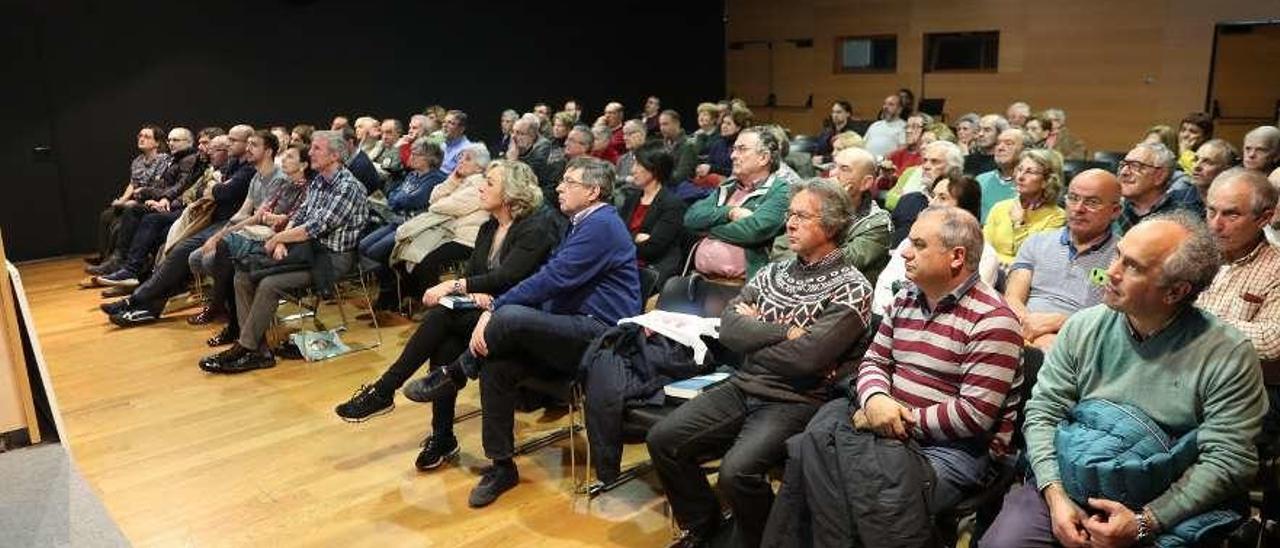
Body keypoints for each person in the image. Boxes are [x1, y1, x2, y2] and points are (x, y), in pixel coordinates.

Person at [981, 212, 1265, 548]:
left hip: (1162, 499)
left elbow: (1228, 459)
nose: (1110, 273)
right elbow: (1043, 412)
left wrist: (1146, 522)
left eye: (1132, 266)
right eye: (1117, 255)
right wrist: (1056, 496)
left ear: (1175, 291)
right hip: (1068, 482)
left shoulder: (1226, 353)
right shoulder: (1084, 326)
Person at [764, 205, 1022, 546]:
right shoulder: (907, 297)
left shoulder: (993, 319)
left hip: (951, 450)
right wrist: (876, 399)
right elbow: (873, 361)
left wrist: (891, 419)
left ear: (956, 257)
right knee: (812, 455)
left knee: (833, 476)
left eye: (918, 244)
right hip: (886, 424)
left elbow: (971, 416)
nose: (904, 251)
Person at [402, 156, 640, 509]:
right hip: (571, 325)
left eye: (569, 182)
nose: (559, 187)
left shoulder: (601, 224)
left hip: (600, 334)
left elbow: (554, 279)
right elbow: (551, 282)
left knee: (510, 315)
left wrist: (495, 308)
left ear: (593, 191)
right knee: (498, 364)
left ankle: (455, 372)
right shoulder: (580, 222)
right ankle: (501, 466)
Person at [649, 178, 874, 548]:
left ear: (831, 225)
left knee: (736, 473)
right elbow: (731, 331)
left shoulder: (852, 286)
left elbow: (809, 359)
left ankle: (767, 540)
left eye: (802, 216)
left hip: (796, 399)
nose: (790, 223)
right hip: (744, 383)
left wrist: (758, 332)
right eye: (790, 214)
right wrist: (786, 332)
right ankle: (708, 530)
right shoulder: (774, 271)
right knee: (664, 440)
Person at [334, 161, 561, 471]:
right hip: (488, 308)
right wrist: (470, 292)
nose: (481, 187)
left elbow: (511, 277)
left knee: (442, 315)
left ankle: (386, 390)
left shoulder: (536, 228)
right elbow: (477, 274)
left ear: (512, 193)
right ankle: (441, 436)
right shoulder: (489, 226)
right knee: (444, 343)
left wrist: (457, 286)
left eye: (489, 183)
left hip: (521, 315)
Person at [199, 130, 369, 374]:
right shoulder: (320, 180)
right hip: (306, 249)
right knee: (242, 274)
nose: (310, 152)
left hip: (331, 259)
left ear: (334, 155)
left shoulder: (348, 187)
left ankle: (245, 348)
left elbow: (315, 227)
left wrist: (279, 237)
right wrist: (281, 241)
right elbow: (300, 215)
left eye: (316, 149)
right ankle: (258, 350)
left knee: (268, 283)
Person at [1005, 169, 1122, 350]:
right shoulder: (1037, 241)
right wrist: (1031, 329)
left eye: (1092, 202)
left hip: (1082, 340)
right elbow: (1013, 298)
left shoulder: (1122, 257)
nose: (1078, 209)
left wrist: (1060, 323)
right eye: (1073, 198)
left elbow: (1115, 320)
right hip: (1022, 330)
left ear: (1115, 211)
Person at [873, 173, 1000, 314]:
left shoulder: (985, 255)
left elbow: (972, 306)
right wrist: (890, 316)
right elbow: (885, 286)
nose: (932, 203)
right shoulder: (912, 240)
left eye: (942, 198)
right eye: (933, 196)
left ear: (964, 208)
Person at [685, 126, 790, 281]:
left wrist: (707, 229)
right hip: (700, 279)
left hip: (741, 288)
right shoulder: (729, 187)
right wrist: (730, 212)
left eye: (742, 149)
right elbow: (691, 218)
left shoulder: (781, 191)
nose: (733, 155)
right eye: (734, 149)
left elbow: (754, 231)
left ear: (764, 158)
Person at [773, 146, 891, 284]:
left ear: (866, 183)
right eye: (834, 166)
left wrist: (835, 204)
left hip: (845, 296)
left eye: (844, 169)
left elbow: (839, 264)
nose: (832, 174)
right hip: (796, 286)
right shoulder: (813, 205)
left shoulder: (878, 223)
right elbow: (781, 247)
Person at [1197, 168, 1280, 363]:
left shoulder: (1276, 267)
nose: (1216, 225)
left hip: (1232, 377)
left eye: (1231, 215)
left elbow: (1272, 339)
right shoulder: (1188, 251)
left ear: (1264, 218)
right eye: (1211, 211)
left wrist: (1195, 321)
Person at [89, 125, 170, 272]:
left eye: (146, 137)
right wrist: (123, 200)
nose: (141, 139)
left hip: (151, 199)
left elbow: (159, 186)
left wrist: (136, 200)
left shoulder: (163, 160)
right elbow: (133, 183)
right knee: (107, 215)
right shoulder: (137, 161)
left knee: (122, 221)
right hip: (137, 198)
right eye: (140, 136)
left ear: (157, 143)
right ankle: (105, 257)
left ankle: (117, 260)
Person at [619, 141, 687, 290]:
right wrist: (636, 238)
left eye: (638, 165)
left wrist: (626, 239)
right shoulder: (632, 198)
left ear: (654, 168)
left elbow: (653, 249)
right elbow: (615, 236)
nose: (632, 170)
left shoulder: (673, 204)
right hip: (625, 263)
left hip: (653, 270)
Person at [984, 148, 1068, 265]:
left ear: (1047, 180)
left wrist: (1020, 224)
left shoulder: (1057, 217)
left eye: (1030, 172)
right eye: (1019, 169)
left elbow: (1032, 259)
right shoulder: (1000, 207)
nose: (1020, 177)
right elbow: (984, 250)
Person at [1115, 142, 1203, 234]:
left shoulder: (1182, 216)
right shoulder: (1112, 209)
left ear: (1159, 176)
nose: (1124, 172)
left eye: (1135, 166)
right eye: (1123, 165)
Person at [974, 128, 1029, 222]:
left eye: (1009, 144)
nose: (1000, 148)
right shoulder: (981, 180)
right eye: (998, 143)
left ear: (1025, 150)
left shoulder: (1030, 182)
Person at [694, 106, 751, 188]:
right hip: (712, 183)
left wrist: (712, 169)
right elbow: (710, 163)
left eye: (729, 124)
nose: (724, 126)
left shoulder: (743, 146)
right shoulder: (718, 143)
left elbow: (737, 171)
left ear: (738, 127)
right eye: (723, 122)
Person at [658, 110, 698, 185]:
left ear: (677, 124)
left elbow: (681, 176)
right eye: (660, 125)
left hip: (680, 188)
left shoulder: (688, 146)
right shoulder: (661, 145)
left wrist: (658, 177)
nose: (662, 128)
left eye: (665, 124)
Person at [812, 99, 853, 164]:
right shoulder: (826, 132)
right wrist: (815, 157)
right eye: (833, 112)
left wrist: (824, 159)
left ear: (848, 114)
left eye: (838, 112)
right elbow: (817, 149)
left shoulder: (851, 134)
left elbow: (848, 156)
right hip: (820, 165)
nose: (835, 115)